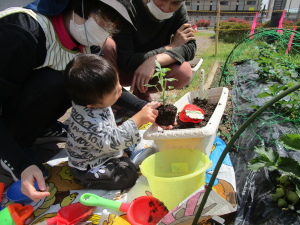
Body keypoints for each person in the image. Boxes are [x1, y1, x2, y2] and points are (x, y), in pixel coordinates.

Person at [0, 0, 148, 202]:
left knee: (78, 79)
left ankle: (41, 129)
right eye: (105, 19)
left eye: (115, 27)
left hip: (28, 107)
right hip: (8, 116)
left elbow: (105, 89)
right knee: (55, 80)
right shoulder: (23, 32)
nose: (107, 31)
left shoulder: (86, 40)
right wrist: (20, 163)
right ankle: (20, 142)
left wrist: (143, 107)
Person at [64, 54, 160, 190]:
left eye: (119, 83)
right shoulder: (88, 121)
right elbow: (110, 141)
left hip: (105, 147)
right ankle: (126, 158)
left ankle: (124, 153)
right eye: (115, 91)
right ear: (93, 104)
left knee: (129, 136)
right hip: (90, 165)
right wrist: (138, 118)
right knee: (126, 176)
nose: (121, 89)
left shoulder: (90, 100)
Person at [101, 0, 197, 101]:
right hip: (120, 70)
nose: (165, 8)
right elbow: (127, 62)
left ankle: (142, 91)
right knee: (107, 45)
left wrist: (154, 61)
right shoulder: (127, 5)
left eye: (175, 3)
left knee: (184, 71)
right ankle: (112, 95)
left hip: (148, 71)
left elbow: (190, 47)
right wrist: (171, 46)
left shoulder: (179, 9)